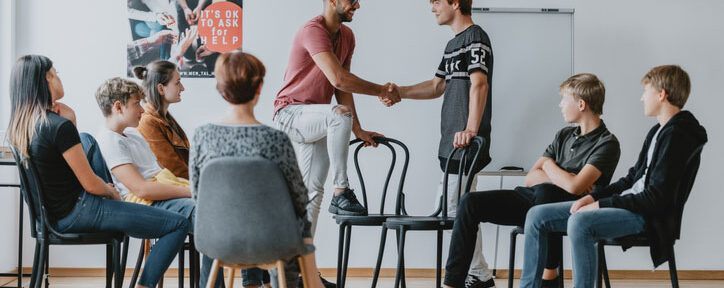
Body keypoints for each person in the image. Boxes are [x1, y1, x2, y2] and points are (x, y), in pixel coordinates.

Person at [7, 54, 188, 288]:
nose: (59, 78)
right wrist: (111, 193)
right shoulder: (57, 126)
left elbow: (64, 173)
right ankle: (144, 286)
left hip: (52, 218)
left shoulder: (24, 125)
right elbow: (91, 184)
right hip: (78, 212)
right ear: (46, 80)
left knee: (86, 139)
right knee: (178, 223)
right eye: (56, 74)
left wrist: (72, 123)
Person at [520, 65, 707, 288]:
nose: (641, 99)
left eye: (645, 92)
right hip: (631, 205)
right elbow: (631, 179)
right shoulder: (658, 131)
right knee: (536, 216)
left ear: (661, 94)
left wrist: (600, 204)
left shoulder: (678, 135)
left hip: (646, 215)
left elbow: (656, 197)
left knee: (580, 222)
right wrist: (593, 197)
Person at [442, 73, 621, 288]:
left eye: (564, 99)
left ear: (581, 104)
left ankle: (548, 275)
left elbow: (575, 187)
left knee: (547, 193)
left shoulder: (607, 143)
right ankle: (452, 284)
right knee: (469, 202)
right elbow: (530, 178)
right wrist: (560, 174)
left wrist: (548, 167)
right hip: (531, 197)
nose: (560, 105)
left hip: (570, 209)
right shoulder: (563, 134)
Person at [272, 3, 399, 285]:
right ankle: (341, 189)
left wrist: (357, 129)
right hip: (290, 113)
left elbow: (342, 88)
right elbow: (338, 77)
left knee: (311, 195)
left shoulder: (347, 37)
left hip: (317, 117)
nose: (357, 4)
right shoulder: (313, 30)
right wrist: (381, 91)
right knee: (336, 116)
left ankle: (300, 272)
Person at [381, 0, 496, 286]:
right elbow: (437, 86)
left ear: (455, 3)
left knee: (456, 212)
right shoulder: (452, 45)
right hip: (450, 144)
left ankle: (479, 275)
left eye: (436, 2)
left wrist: (471, 129)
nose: (432, 8)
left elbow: (480, 83)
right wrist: (399, 92)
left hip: (466, 143)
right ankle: (480, 274)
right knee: (459, 210)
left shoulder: (476, 37)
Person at [190, 50, 326, 288]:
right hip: (271, 241)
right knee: (299, 223)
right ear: (259, 87)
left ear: (220, 89)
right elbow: (300, 198)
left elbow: (198, 195)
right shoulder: (275, 139)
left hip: (217, 240)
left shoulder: (203, 136)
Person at [134, 61, 191, 179]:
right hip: (178, 188)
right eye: (177, 83)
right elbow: (173, 169)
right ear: (161, 88)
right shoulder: (148, 122)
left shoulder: (164, 118)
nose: (182, 88)